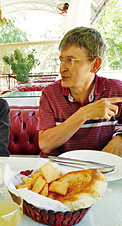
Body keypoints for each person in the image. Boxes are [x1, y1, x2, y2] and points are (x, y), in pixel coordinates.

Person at [38, 26, 122, 157]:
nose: (62, 69)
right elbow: (45, 144)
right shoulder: (50, 94)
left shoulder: (117, 91)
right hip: (59, 170)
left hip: (101, 170)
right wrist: (84, 114)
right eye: (61, 60)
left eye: (70, 60)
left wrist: (119, 140)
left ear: (94, 65)